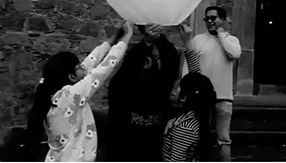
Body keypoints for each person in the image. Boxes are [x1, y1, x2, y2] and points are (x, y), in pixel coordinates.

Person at [26, 21, 133, 162]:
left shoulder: (51, 94)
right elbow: (105, 68)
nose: (83, 67)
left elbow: (91, 62)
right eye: (79, 67)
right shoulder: (71, 96)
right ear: (71, 77)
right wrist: (126, 37)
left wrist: (113, 38)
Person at [107, 24, 181, 161]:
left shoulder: (168, 51)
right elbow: (121, 82)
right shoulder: (136, 53)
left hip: (156, 125)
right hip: (132, 128)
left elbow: (170, 76)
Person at [180, 6, 241, 161]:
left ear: (223, 19)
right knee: (198, 136)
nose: (209, 22)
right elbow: (189, 65)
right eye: (206, 19)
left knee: (224, 139)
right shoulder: (198, 40)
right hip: (202, 98)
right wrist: (185, 88)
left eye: (213, 18)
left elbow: (234, 53)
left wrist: (221, 35)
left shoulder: (231, 40)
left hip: (224, 97)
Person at [161, 72, 216, 162]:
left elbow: (176, 160)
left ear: (184, 97)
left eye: (177, 87)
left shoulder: (185, 128)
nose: (173, 91)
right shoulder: (195, 119)